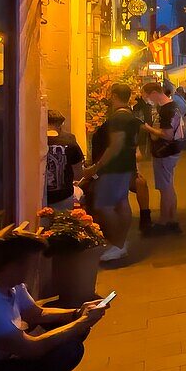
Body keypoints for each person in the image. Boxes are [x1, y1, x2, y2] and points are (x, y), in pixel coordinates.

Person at [0, 232, 108, 371]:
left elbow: (36, 313)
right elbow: (31, 348)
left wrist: (77, 313)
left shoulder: (11, 284)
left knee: (73, 331)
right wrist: (82, 322)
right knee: (69, 348)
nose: (37, 270)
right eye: (34, 265)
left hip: (8, 356)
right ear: (14, 267)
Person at [81, 83, 140, 261]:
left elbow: (115, 145)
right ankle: (120, 242)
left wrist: (95, 167)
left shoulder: (118, 119)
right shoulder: (131, 117)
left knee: (104, 206)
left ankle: (117, 243)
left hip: (113, 168)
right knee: (121, 203)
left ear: (114, 96)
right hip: (125, 166)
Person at [141, 81, 183, 235]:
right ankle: (172, 220)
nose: (147, 100)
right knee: (169, 186)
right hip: (172, 151)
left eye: (146, 96)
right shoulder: (172, 106)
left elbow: (167, 134)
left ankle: (164, 221)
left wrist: (148, 128)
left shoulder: (166, 109)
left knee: (165, 188)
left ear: (153, 93)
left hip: (165, 152)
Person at [45, 110, 84, 210]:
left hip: (36, 195)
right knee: (62, 223)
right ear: (61, 124)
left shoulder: (32, 139)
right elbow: (78, 173)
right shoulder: (69, 140)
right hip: (63, 195)